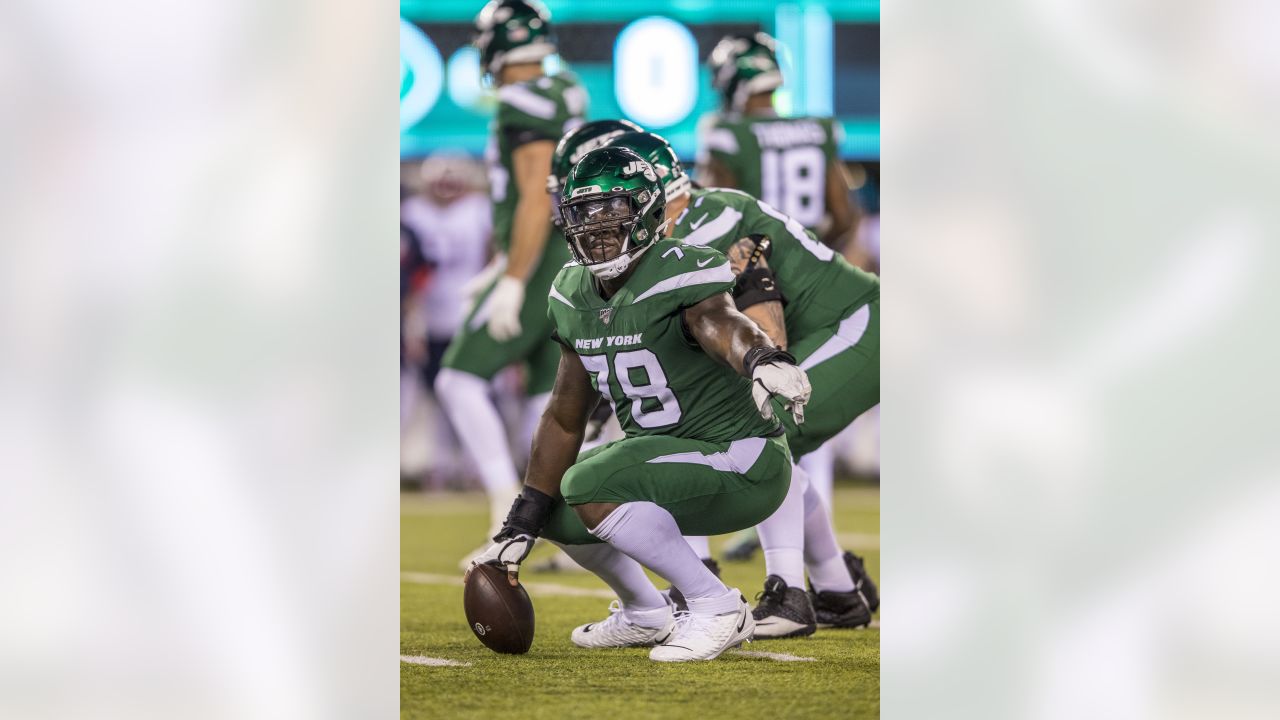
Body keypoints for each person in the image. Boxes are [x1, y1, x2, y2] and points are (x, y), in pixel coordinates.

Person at [469, 146, 812, 662]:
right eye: (584, 214)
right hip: (667, 457)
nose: (596, 229)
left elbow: (721, 324)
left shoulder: (682, 268)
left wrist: (762, 357)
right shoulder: (570, 292)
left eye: (613, 213)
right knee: (556, 507)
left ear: (649, 213)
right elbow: (565, 415)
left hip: (740, 458)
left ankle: (715, 604)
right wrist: (521, 521)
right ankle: (645, 612)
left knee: (586, 483)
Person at [607, 130, 880, 637]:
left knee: (759, 426)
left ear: (654, 192)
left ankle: (789, 593)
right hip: (832, 329)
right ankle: (838, 590)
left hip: (860, 323)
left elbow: (765, 325)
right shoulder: (684, 226)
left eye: (618, 203)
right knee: (717, 423)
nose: (610, 220)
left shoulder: (710, 225)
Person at [433, 0, 588, 568]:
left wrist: (515, 278)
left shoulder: (523, 100)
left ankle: (510, 512)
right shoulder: (565, 87)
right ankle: (561, 530)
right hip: (568, 261)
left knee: (458, 379)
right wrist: (503, 266)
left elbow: (532, 194)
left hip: (543, 261)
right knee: (545, 399)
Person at [698, 31, 862, 564]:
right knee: (804, 402)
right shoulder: (817, 127)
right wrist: (809, 253)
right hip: (811, 278)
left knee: (758, 409)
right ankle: (818, 535)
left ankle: (770, 527)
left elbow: (714, 215)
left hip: (752, 281)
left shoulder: (725, 131)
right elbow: (846, 215)